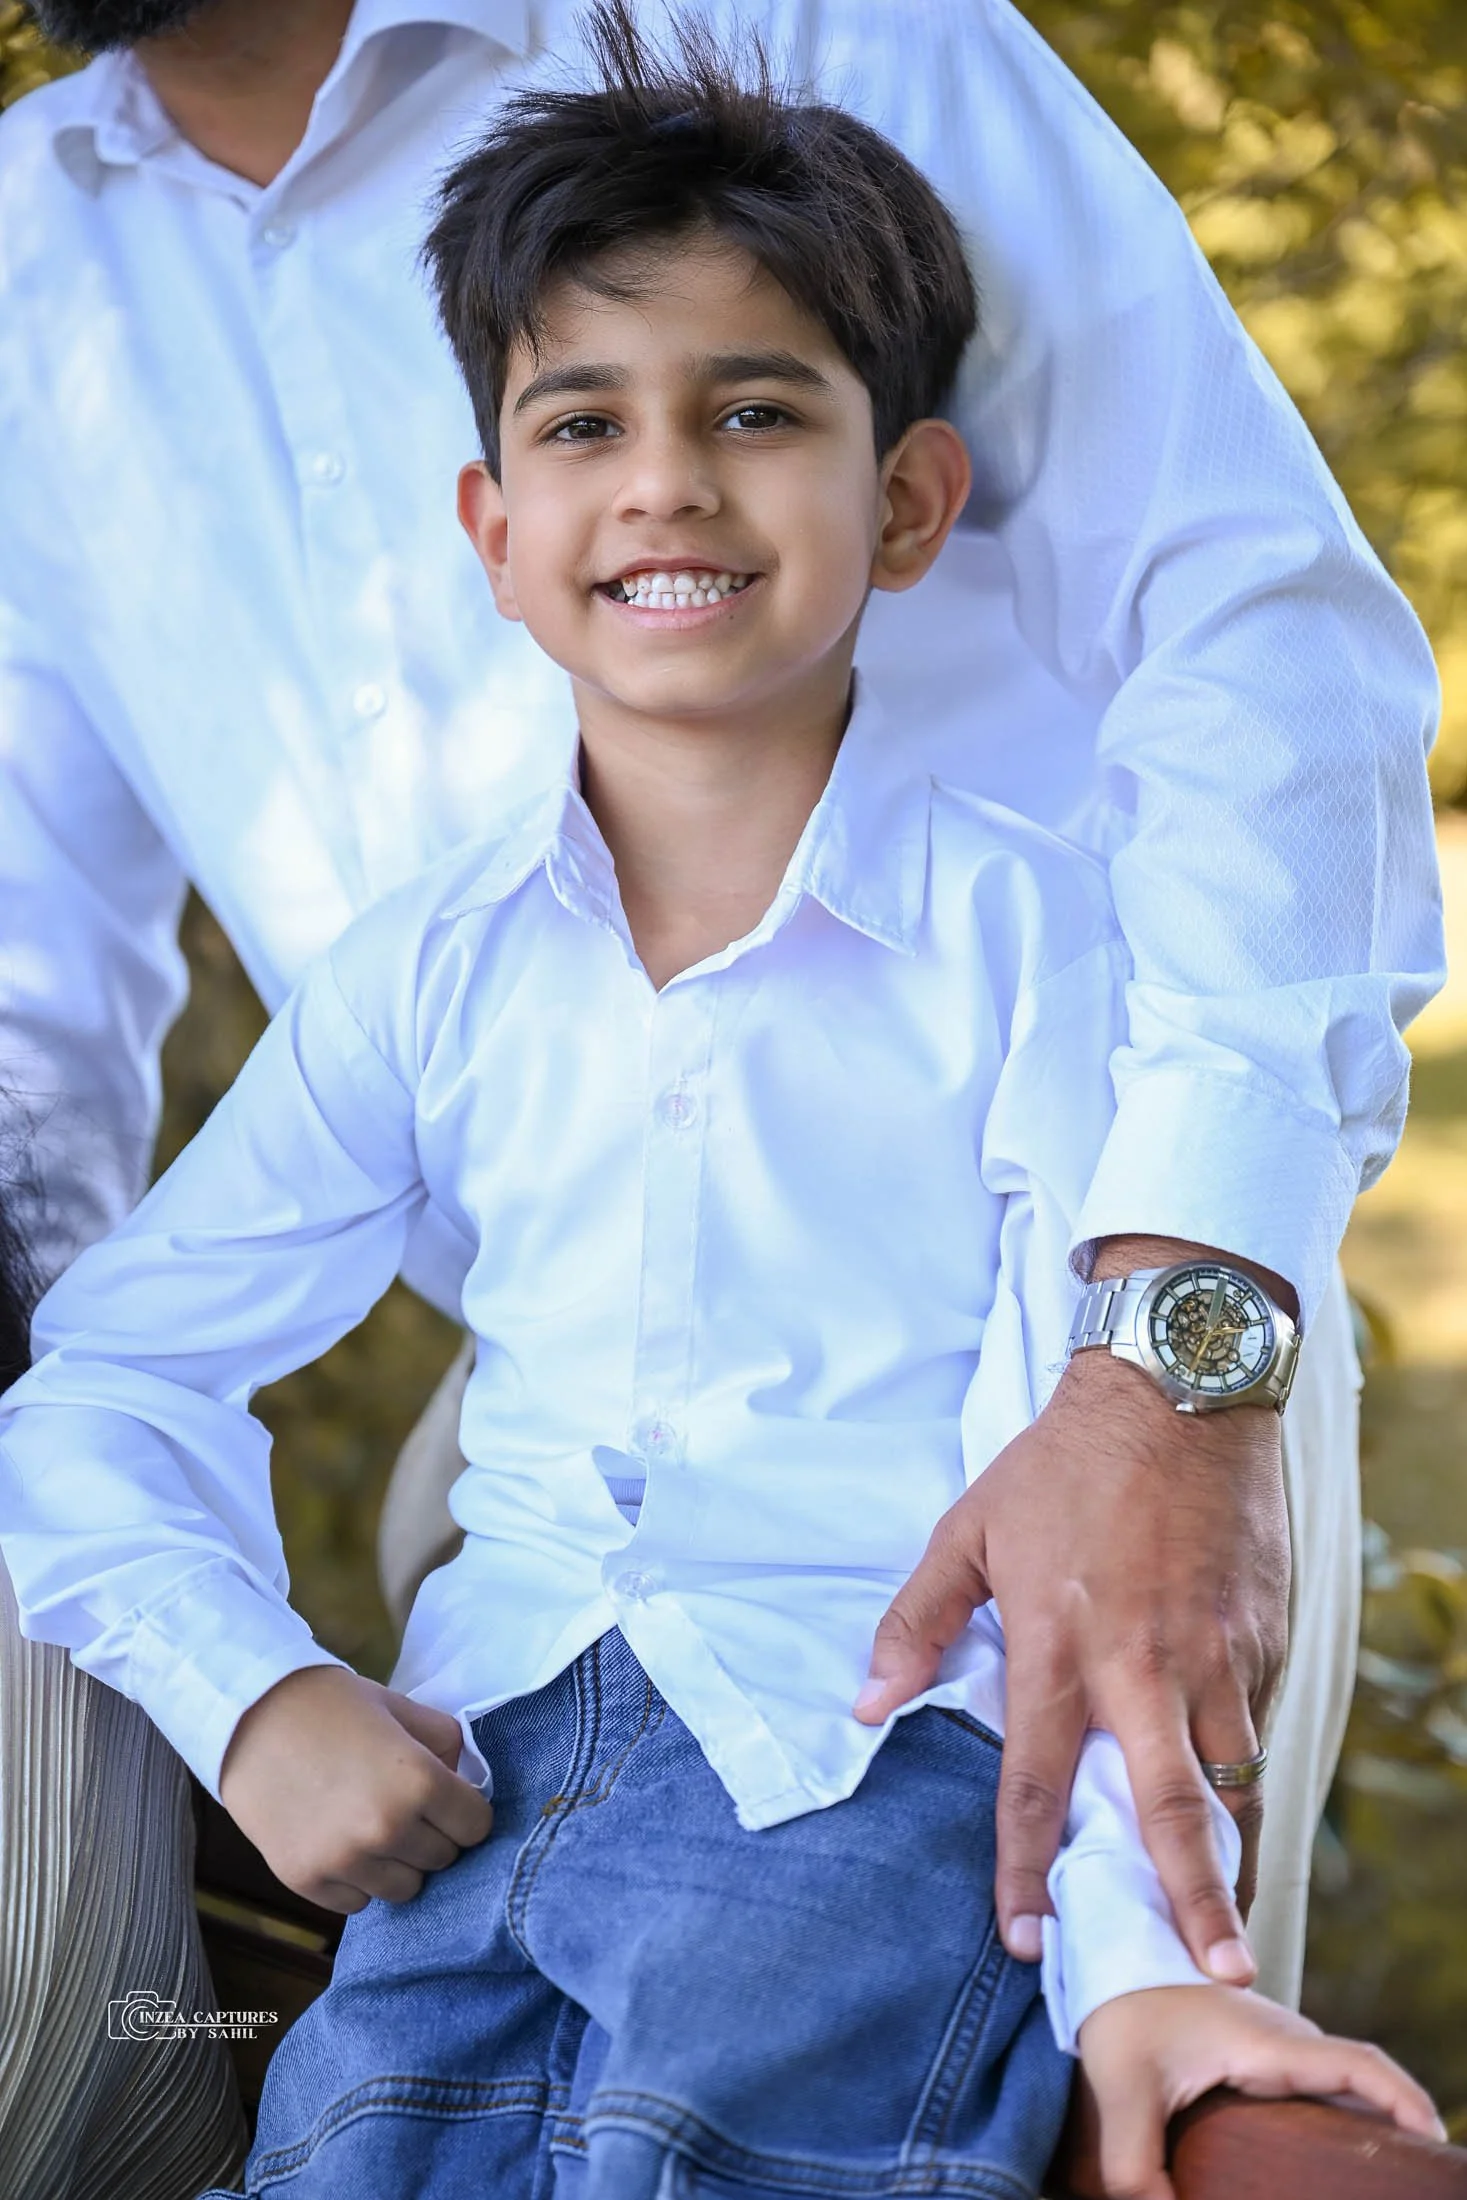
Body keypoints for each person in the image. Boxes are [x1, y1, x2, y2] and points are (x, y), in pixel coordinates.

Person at [0, 0, 1443, 2188]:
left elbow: (1257, 626)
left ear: (909, 493)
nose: (663, 479)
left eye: (751, 411)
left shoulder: (1039, 953)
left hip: (1047, 1469)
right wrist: (232, 1673)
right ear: (492, 524)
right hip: (520, 1618)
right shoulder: (430, 973)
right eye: (584, 424)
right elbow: (65, 1167)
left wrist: (1152, 1953)